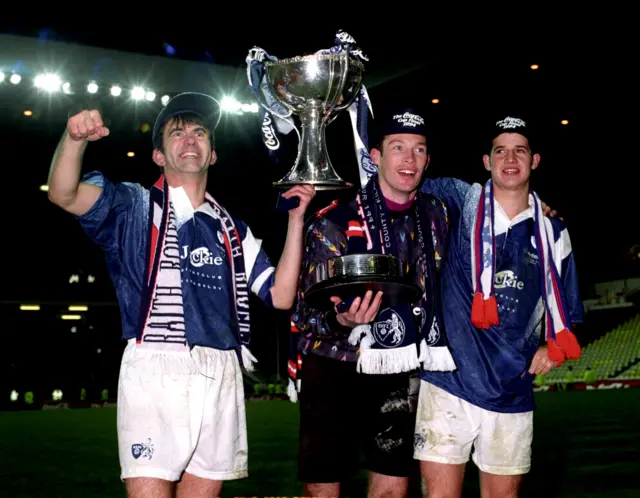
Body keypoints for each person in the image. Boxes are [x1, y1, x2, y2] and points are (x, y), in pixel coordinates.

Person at [47, 92, 316, 498]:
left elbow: (280, 295)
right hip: (156, 362)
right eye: (177, 133)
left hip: (221, 366)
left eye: (199, 132)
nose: (190, 139)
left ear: (212, 155)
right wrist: (74, 138)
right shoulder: (130, 205)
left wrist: (297, 221)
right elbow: (62, 193)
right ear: (158, 156)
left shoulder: (232, 229)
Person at [413, 115, 584, 498]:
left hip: (512, 387)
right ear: (486, 161)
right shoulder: (461, 199)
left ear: (534, 160)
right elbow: (401, 182)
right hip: (448, 382)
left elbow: (568, 309)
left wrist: (549, 348)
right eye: (500, 150)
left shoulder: (553, 231)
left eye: (519, 151)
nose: (510, 159)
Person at [290, 106, 455, 498]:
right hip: (332, 363)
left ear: (428, 159)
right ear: (376, 156)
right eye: (398, 147)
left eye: (418, 150)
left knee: (393, 487)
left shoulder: (438, 215)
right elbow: (302, 312)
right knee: (324, 490)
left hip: (399, 366)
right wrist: (341, 320)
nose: (409, 159)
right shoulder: (335, 219)